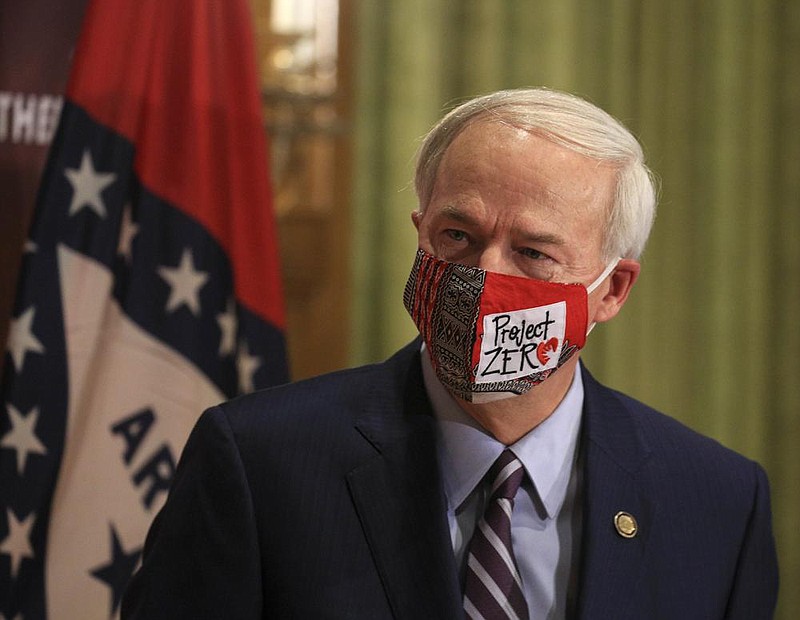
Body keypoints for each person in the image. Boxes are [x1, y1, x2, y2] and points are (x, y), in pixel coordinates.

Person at [121, 88, 779, 619]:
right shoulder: (258, 462)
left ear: (612, 290)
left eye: (534, 253)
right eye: (457, 235)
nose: (484, 275)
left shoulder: (718, 503)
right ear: (419, 235)